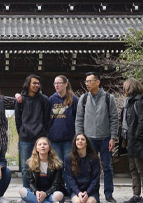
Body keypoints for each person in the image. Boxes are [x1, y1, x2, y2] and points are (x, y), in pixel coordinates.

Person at [75, 72, 118, 203]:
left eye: (90, 81)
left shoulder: (108, 98)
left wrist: (113, 137)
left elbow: (114, 118)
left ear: (98, 82)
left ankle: (109, 193)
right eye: (86, 81)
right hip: (89, 139)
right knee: (89, 168)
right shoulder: (83, 99)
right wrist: (80, 137)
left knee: (107, 167)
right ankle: (92, 193)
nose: (87, 84)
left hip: (105, 138)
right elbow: (79, 119)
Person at [15, 74, 50, 188]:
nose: (36, 85)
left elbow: (46, 118)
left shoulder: (43, 99)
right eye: (34, 83)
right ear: (28, 84)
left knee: (39, 166)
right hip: (25, 137)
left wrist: (43, 132)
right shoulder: (21, 99)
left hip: (39, 137)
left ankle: (39, 190)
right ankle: (26, 192)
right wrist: (21, 131)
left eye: (38, 83)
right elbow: (17, 118)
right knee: (26, 167)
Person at [120, 79, 143, 203]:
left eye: (126, 87)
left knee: (142, 170)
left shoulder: (140, 103)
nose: (124, 90)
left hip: (139, 142)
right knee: (133, 169)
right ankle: (136, 195)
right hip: (130, 142)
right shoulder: (128, 103)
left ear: (130, 88)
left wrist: (137, 137)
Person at [48, 75, 78, 192]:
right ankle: (58, 190)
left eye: (59, 83)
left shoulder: (74, 99)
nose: (57, 85)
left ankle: (71, 190)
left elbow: (78, 118)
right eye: (55, 83)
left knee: (69, 167)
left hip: (69, 140)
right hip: (54, 139)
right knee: (57, 166)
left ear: (66, 84)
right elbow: (47, 119)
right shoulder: (51, 99)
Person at [18, 137, 65, 203]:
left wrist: (45, 194)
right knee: (22, 191)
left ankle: (36, 201)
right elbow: (31, 182)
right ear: (36, 148)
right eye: (40, 144)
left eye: (45, 144)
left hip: (51, 193)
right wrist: (36, 192)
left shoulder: (56, 164)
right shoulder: (31, 163)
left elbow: (56, 185)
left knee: (59, 195)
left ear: (49, 147)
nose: (42, 146)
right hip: (37, 194)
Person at [64, 133, 101, 203]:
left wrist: (88, 193)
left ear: (87, 143)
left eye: (83, 139)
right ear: (75, 143)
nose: (80, 141)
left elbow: (95, 179)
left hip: (91, 191)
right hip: (76, 191)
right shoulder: (68, 159)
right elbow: (70, 179)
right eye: (77, 139)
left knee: (89, 202)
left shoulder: (94, 158)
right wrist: (78, 192)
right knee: (78, 201)